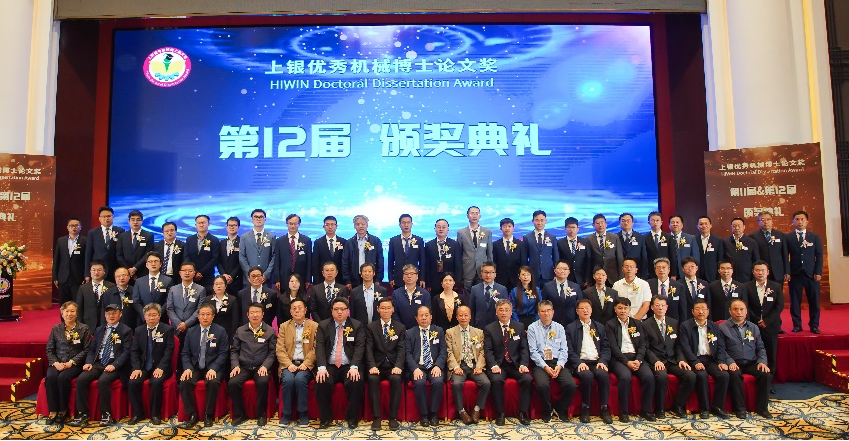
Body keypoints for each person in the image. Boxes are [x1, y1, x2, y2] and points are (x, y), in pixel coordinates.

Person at [67, 304, 134, 427]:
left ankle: (106, 414)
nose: (111, 316)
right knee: (81, 379)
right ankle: (83, 414)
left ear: (120, 314)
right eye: (108, 313)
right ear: (105, 315)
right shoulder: (99, 329)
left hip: (115, 364)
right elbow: (92, 349)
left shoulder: (126, 331)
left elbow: (127, 352)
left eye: (114, 313)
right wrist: (89, 362)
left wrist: (115, 365)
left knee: (103, 381)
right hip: (98, 362)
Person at [314, 297, 365, 429]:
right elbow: (319, 348)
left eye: (342, 309)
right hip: (329, 366)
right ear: (331, 311)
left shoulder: (357, 325)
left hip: (349, 365)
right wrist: (321, 367)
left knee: (356, 381)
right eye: (336, 309)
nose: (339, 312)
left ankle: (352, 418)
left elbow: (360, 348)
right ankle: (326, 418)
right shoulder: (323, 325)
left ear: (348, 311)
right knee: (321, 381)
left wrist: (354, 366)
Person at [178, 303, 229, 428]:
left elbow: (223, 353)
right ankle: (192, 415)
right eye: (202, 314)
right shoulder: (191, 331)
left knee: (212, 382)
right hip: (195, 367)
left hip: (213, 367)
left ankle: (208, 414)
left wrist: (214, 368)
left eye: (208, 314)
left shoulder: (220, 331)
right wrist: (188, 368)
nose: (205, 317)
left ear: (213, 316)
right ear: (198, 316)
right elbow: (185, 353)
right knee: (185, 382)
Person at [719, 299, 773, 419]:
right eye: (735, 309)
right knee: (734, 375)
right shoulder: (723, 328)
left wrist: (762, 362)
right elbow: (721, 349)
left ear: (746, 311)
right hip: (734, 362)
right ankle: (740, 409)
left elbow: (760, 347)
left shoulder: (753, 327)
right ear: (730, 311)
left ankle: (762, 408)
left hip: (751, 362)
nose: (739, 312)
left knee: (766, 375)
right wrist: (730, 362)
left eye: (741, 309)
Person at [677, 299, 731, 419]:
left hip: (710, 359)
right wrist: (695, 362)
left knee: (724, 375)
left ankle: (717, 407)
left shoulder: (714, 326)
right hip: (694, 359)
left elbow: (721, 346)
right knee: (701, 375)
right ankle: (704, 408)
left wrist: (721, 362)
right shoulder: (685, 326)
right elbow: (685, 347)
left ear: (708, 312)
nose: (700, 311)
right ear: (692, 311)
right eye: (697, 309)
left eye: (703, 309)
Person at [642, 295, 694, 418]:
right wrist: (655, 361)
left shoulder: (673, 322)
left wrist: (681, 359)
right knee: (662, 376)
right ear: (652, 307)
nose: (660, 308)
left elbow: (678, 345)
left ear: (667, 307)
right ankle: (660, 408)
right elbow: (646, 348)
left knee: (690, 376)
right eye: (657, 305)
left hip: (672, 360)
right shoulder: (645, 324)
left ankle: (678, 405)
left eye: (663, 305)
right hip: (656, 361)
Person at [605, 298, 655, 422]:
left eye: (625, 308)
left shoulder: (637, 323)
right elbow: (613, 347)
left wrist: (638, 360)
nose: (623, 311)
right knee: (625, 377)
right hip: (619, 359)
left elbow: (643, 344)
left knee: (649, 377)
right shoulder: (610, 325)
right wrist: (627, 362)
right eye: (620, 308)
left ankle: (646, 410)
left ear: (629, 309)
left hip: (636, 357)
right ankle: (624, 412)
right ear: (615, 309)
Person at [484, 299, 533, 426]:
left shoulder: (519, 326)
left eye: (507, 310)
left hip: (515, 364)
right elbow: (488, 350)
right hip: (499, 365)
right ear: (496, 312)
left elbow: (524, 348)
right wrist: (493, 365)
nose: (504, 313)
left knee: (527, 379)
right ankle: (500, 413)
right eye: (501, 310)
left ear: (511, 312)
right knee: (496, 380)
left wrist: (523, 364)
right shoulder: (489, 328)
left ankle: (522, 412)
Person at [229, 303, 278, 426]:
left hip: (261, 367)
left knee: (263, 382)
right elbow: (234, 351)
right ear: (247, 315)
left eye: (257, 312)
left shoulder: (270, 331)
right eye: (252, 313)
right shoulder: (240, 330)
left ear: (263, 314)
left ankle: (261, 414)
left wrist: (265, 366)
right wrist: (235, 365)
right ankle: (239, 414)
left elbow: (272, 353)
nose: (255, 315)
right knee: (233, 383)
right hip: (243, 367)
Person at [565, 299, 613, 424]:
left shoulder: (600, 327)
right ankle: (585, 408)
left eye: (587, 308)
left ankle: (604, 408)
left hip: (597, 362)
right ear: (577, 311)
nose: (585, 310)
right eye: (582, 308)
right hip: (581, 362)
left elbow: (606, 347)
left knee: (603, 375)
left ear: (591, 310)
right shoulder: (570, 328)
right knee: (587, 376)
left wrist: (603, 361)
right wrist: (578, 363)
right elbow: (569, 350)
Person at [528, 300, 577, 423]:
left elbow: (564, 350)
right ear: (538, 313)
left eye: (548, 310)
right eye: (543, 311)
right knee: (542, 385)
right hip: (540, 363)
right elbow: (533, 352)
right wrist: (545, 367)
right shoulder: (532, 328)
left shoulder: (559, 327)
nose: (546, 314)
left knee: (571, 385)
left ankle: (560, 408)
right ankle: (547, 409)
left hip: (557, 362)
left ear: (553, 312)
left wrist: (560, 365)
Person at [44, 301, 91, 426]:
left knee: (63, 378)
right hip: (57, 362)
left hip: (74, 364)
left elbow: (87, 349)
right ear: (62, 313)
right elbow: (49, 349)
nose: (69, 314)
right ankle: (52, 411)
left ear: (76, 313)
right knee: (51, 377)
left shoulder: (83, 328)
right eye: (67, 311)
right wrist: (55, 363)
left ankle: (62, 411)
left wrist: (72, 362)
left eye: (72, 311)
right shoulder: (56, 329)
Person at [127, 303, 175, 425]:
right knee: (132, 382)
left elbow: (169, 351)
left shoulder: (167, 330)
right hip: (144, 367)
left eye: (154, 315)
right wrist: (136, 368)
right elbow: (134, 351)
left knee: (156, 382)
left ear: (159, 316)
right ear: (144, 316)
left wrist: (161, 367)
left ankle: (155, 414)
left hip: (161, 367)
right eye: (149, 315)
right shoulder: (139, 330)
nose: (151, 318)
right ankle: (138, 413)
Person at [364, 297, 405, 430]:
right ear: (378, 309)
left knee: (396, 379)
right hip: (377, 365)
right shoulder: (371, 327)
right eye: (383, 308)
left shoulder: (400, 327)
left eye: (388, 308)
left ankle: (393, 417)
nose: (385, 311)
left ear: (393, 310)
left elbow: (401, 349)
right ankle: (377, 418)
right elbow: (368, 349)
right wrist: (372, 366)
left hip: (393, 366)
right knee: (372, 379)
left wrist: (398, 366)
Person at [277, 298, 319, 426]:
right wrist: (288, 365)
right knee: (288, 380)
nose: (297, 311)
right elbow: (280, 349)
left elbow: (316, 348)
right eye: (294, 308)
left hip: (306, 364)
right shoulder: (284, 326)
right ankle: (286, 414)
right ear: (290, 312)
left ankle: (303, 413)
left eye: (300, 308)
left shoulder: (314, 326)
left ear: (305, 310)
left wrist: (306, 364)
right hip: (289, 364)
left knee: (300, 380)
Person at [445, 305, 489, 425]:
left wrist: (479, 366)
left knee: (486, 383)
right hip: (460, 365)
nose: (463, 318)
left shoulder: (478, 332)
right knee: (457, 384)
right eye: (461, 315)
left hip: (474, 365)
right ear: (456, 317)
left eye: (466, 315)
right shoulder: (450, 332)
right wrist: (456, 367)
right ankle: (462, 411)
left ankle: (477, 409)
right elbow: (449, 352)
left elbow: (482, 352)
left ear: (470, 317)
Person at [405, 306, 447, 427]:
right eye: (421, 315)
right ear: (416, 318)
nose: (424, 318)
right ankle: (423, 415)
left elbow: (443, 352)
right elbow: (407, 354)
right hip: (419, 366)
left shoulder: (439, 331)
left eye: (426, 315)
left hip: (434, 366)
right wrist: (415, 369)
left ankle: (433, 414)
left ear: (431, 317)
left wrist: (438, 366)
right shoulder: (409, 333)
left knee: (438, 381)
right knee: (419, 382)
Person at [745, 261, 783, 391]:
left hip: (770, 326)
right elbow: (746, 306)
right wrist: (756, 320)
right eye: (757, 270)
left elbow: (779, 306)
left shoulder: (776, 286)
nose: (760, 273)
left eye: (763, 270)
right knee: (753, 352)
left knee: (771, 354)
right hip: (753, 325)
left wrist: (767, 321)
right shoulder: (747, 286)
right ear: (753, 272)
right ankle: (756, 380)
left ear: (768, 272)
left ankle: (769, 382)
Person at [787, 210, 824, 334]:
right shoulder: (788, 237)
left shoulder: (814, 237)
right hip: (795, 274)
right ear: (793, 222)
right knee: (795, 302)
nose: (800, 222)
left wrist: (818, 272)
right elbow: (785, 256)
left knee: (814, 301)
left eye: (802, 219)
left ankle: (814, 325)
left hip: (812, 274)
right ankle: (797, 325)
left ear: (807, 221)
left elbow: (819, 256)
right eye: (797, 219)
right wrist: (787, 272)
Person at [165, 261, 204, 372]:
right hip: (176, 328)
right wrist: (179, 324)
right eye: (184, 271)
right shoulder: (173, 289)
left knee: (190, 353)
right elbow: (169, 308)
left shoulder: (200, 289)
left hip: (192, 327)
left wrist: (186, 324)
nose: (187, 273)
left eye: (190, 271)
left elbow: (199, 309)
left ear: (194, 273)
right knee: (175, 353)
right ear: (180, 273)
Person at [342, 214, 384, 289]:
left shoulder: (375, 241)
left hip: (371, 278)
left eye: (363, 224)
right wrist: (347, 280)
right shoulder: (349, 243)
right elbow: (345, 262)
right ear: (354, 226)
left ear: (367, 225)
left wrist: (378, 279)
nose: (360, 226)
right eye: (358, 224)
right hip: (354, 279)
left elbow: (380, 261)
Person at [457, 206, 493, 292]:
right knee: (467, 293)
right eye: (472, 213)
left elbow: (489, 253)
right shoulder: (461, 233)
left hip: (482, 269)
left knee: (482, 293)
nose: (474, 215)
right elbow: (459, 253)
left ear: (480, 216)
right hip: (467, 269)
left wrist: (490, 270)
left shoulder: (487, 231)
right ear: (467, 216)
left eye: (477, 213)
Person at [84, 206, 124, 282]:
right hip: (98, 270)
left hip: (115, 269)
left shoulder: (120, 231)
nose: (106, 218)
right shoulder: (92, 233)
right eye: (104, 217)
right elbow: (88, 254)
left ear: (113, 217)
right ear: (99, 218)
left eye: (109, 216)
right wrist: (87, 274)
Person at [53, 218, 86, 307]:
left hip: (78, 278)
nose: (74, 227)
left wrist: (86, 275)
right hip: (63, 277)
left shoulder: (85, 240)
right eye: (71, 226)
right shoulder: (61, 241)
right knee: (63, 304)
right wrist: (55, 276)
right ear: (67, 227)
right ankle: (63, 317)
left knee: (77, 303)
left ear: (80, 227)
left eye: (76, 225)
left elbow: (86, 259)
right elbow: (57, 259)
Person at [424, 219, 463, 295]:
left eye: (444, 227)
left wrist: (457, 282)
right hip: (434, 282)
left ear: (448, 229)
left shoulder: (454, 244)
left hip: (450, 282)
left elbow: (458, 264)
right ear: (435, 229)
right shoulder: (429, 245)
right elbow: (427, 265)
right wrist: (428, 283)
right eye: (438, 227)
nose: (441, 229)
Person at [750, 211, 790, 286]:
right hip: (761, 272)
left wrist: (787, 271)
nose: (766, 222)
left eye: (768, 219)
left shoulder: (780, 235)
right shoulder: (753, 236)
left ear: (772, 221)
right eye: (762, 220)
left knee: (777, 292)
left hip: (778, 272)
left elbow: (785, 254)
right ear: (758, 222)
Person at [274, 213, 312, 292]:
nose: (293, 226)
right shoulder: (279, 241)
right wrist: (277, 279)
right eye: (290, 224)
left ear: (299, 224)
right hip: (284, 278)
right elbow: (277, 261)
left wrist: (308, 279)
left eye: (295, 224)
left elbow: (309, 261)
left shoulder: (306, 240)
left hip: (301, 277)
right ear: (287, 224)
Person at [388, 214, 426, 289]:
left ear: (411, 224)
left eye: (408, 222)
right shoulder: (393, 240)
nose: (406, 225)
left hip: (414, 278)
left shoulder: (419, 240)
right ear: (399, 225)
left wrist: (422, 278)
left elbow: (422, 261)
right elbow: (390, 261)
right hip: (398, 278)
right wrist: (391, 277)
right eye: (403, 222)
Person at [238, 209, 275, 287]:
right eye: (256, 217)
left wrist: (266, 274)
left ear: (265, 219)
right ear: (252, 220)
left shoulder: (271, 237)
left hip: (265, 280)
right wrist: (251, 275)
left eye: (261, 217)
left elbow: (274, 256)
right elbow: (242, 257)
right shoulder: (244, 237)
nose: (258, 219)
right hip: (249, 280)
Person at [540, 261, 582, 328]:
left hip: (572, 323)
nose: (562, 271)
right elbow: (543, 304)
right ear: (555, 271)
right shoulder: (547, 286)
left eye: (565, 269)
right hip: (552, 322)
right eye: (559, 268)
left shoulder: (576, 287)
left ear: (569, 272)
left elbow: (580, 304)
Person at [523, 210, 559, 288]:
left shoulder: (552, 237)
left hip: (549, 274)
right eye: (537, 220)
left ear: (546, 221)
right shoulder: (527, 237)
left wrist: (556, 273)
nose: (539, 223)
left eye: (542, 220)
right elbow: (524, 258)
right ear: (533, 221)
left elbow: (556, 257)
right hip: (533, 274)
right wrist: (526, 273)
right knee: (534, 294)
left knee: (548, 294)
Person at [115, 210, 154, 281]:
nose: (135, 222)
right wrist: (128, 270)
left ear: (142, 221)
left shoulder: (148, 236)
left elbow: (148, 254)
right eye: (133, 220)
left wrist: (135, 268)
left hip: (142, 271)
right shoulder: (122, 236)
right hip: (125, 273)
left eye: (138, 220)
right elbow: (119, 255)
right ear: (128, 221)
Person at [76, 260, 115, 330]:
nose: (96, 272)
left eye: (99, 270)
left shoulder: (111, 286)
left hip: (106, 322)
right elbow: (79, 308)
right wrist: (80, 325)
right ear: (90, 272)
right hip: (88, 323)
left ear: (104, 271)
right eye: (94, 270)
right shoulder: (83, 288)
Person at [185, 214, 220, 289]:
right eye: (199, 223)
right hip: (191, 277)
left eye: (203, 223)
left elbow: (215, 259)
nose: (201, 225)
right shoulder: (189, 239)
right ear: (195, 225)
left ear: (208, 224)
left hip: (207, 277)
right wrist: (194, 271)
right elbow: (186, 257)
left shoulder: (214, 240)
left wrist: (201, 272)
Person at [469, 262, 508, 329]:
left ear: (495, 274)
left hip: (496, 326)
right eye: (485, 272)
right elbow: (472, 310)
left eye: (491, 272)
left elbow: (505, 310)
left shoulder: (502, 289)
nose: (488, 275)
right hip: (479, 325)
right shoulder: (474, 289)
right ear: (481, 273)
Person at [132, 252, 171, 319]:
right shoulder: (139, 281)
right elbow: (136, 301)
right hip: (143, 319)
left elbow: (168, 300)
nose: (153, 264)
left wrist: (158, 314)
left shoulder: (168, 281)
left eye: (156, 261)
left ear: (160, 264)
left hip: (161, 318)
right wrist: (145, 315)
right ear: (147, 265)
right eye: (150, 261)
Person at [586, 214, 624, 283]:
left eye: (602, 222)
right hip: (596, 277)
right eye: (597, 223)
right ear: (593, 225)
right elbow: (588, 259)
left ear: (606, 224)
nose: (600, 225)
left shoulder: (614, 237)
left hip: (612, 276)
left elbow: (619, 257)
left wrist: (621, 276)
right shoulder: (589, 239)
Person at [557, 217, 592, 287]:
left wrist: (587, 278)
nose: (571, 230)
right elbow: (558, 260)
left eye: (573, 227)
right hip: (565, 277)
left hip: (581, 278)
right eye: (569, 227)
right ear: (565, 228)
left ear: (578, 229)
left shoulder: (585, 242)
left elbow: (588, 261)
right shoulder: (560, 243)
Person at [202, 275, 239, 341]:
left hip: (227, 333)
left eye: (221, 284)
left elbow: (234, 321)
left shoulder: (232, 300)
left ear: (225, 286)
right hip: (211, 333)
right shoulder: (207, 300)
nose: (219, 286)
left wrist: (232, 339)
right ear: (213, 286)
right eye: (216, 284)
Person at [492, 218, 526, 291]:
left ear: (513, 228)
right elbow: (494, 262)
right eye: (504, 226)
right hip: (500, 279)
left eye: (509, 226)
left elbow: (523, 262)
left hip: (516, 278)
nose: (507, 228)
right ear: (501, 229)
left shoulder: (520, 244)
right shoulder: (495, 245)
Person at [724, 217, 760, 283]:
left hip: (747, 277)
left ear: (744, 227)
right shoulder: (725, 242)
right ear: (731, 227)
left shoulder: (751, 242)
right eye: (734, 226)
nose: (737, 228)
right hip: (729, 276)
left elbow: (756, 261)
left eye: (739, 226)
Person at [312, 216, 345, 285]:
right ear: (324, 227)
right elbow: (315, 263)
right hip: (322, 279)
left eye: (332, 224)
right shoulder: (318, 242)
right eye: (327, 225)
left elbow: (345, 262)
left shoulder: (343, 242)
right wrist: (316, 281)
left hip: (340, 279)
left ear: (336, 226)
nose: (330, 227)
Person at [645, 211, 678, 279]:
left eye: (657, 220)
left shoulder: (669, 237)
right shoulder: (644, 238)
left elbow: (673, 256)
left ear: (661, 222)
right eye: (653, 220)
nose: (655, 222)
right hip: (650, 272)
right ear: (649, 223)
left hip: (665, 271)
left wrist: (673, 274)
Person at [217, 216, 244, 295]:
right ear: (226, 227)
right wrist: (223, 274)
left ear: (238, 227)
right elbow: (218, 261)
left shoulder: (242, 242)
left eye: (234, 225)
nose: (232, 227)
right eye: (230, 225)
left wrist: (232, 276)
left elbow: (242, 261)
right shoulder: (221, 243)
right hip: (223, 279)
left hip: (237, 280)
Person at [153, 222, 185, 286]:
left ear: (176, 231)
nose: (169, 233)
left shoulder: (182, 245)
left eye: (172, 230)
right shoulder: (157, 246)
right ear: (163, 232)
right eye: (166, 231)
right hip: (159, 276)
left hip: (176, 278)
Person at [619, 213, 649, 279]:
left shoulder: (640, 237)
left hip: (637, 273)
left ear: (632, 222)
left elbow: (644, 257)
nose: (626, 223)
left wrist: (644, 275)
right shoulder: (615, 237)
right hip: (620, 274)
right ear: (619, 223)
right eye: (623, 221)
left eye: (628, 221)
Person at [669, 214, 700, 279]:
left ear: (682, 225)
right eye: (672, 222)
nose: (675, 224)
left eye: (677, 222)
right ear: (669, 225)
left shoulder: (690, 238)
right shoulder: (665, 238)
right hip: (670, 273)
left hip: (686, 272)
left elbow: (695, 256)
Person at [696, 215, 725, 283]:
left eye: (706, 223)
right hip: (697, 274)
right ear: (697, 226)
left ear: (710, 225)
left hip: (713, 275)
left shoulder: (718, 240)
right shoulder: (693, 240)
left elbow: (720, 259)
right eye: (701, 224)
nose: (704, 226)